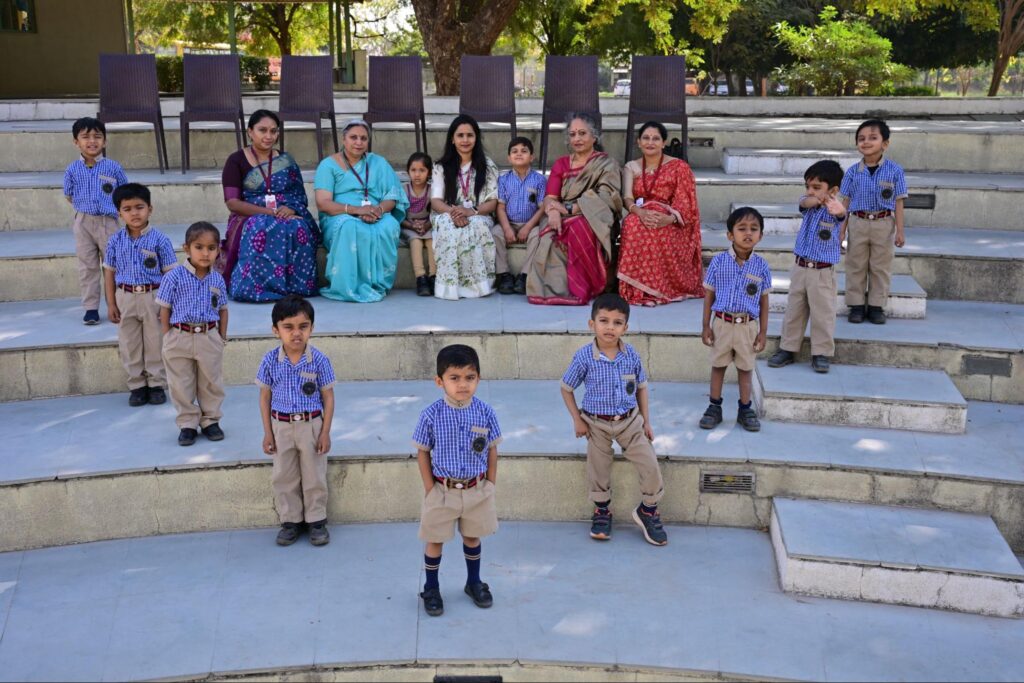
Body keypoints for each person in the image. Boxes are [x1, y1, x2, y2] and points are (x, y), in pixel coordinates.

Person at [560, 293, 667, 546]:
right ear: (592, 324)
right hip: (596, 423)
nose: (610, 327)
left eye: (617, 322)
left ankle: (648, 509)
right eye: (604, 321)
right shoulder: (584, 357)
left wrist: (646, 421)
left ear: (625, 327)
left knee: (650, 463)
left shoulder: (631, 356)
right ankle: (601, 509)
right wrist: (577, 419)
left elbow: (641, 387)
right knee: (598, 465)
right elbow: (566, 388)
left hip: (630, 421)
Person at [413, 344, 501, 617]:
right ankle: (431, 587)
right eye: (454, 378)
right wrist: (431, 489)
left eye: (469, 377)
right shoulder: (431, 415)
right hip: (443, 489)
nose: (463, 385)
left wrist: (490, 484)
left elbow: (493, 450)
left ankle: (473, 582)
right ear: (440, 381)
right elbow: (422, 452)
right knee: (435, 540)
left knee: (473, 537)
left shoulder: (485, 412)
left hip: (476, 489)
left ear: (478, 379)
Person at [257, 295, 336, 547]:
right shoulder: (270, 360)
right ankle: (290, 521)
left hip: (311, 425)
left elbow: (329, 397)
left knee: (314, 474)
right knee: (284, 475)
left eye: (303, 326)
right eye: (288, 327)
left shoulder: (320, 360)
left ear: (312, 328)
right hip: (281, 426)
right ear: (275, 330)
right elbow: (264, 397)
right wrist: (268, 433)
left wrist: (325, 432)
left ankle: (316, 521)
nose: (296, 334)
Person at [220, 110, 320, 303]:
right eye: (262, 130)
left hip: (285, 211)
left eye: (273, 131)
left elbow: (299, 195)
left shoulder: (286, 161)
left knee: (298, 227)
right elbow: (232, 202)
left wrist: (291, 209)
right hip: (250, 215)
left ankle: (296, 288)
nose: (268, 136)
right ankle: (255, 288)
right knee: (260, 227)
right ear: (250, 132)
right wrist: (270, 212)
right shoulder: (236, 160)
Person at [526, 113, 621, 306]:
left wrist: (571, 208)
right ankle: (554, 289)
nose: (576, 139)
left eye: (582, 133)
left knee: (578, 226)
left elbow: (607, 195)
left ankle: (586, 285)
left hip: (596, 216)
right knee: (549, 234)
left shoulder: (606, 164)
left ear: (594, 137)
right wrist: (552, 212)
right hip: (561, 213)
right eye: (572, 134)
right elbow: (550, 198)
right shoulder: (561, 163)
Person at [315, 119, 408, 303]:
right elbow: (323, 203)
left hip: (374, 212)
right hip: (341, 214)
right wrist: (357, 210)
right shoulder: (328, 165)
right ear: (344, 139)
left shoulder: (378, 163)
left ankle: (377, 283)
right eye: (353, 137)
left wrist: (378, 211)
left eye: (363, 138)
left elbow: (392, 195)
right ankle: (347, 285)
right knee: (349, 226)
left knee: (389, 225)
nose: (359, 142)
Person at [768, 161, 847, 374]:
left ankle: (821, 352)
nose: (810, 191)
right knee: (795, 309)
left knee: (823, 313)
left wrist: (839, 210)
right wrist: (816, 197)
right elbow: (805, 202)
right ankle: (787, 348)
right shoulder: (808, 204)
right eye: (808, 186)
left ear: (834, 190)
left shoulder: (837, 210)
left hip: (823, 271)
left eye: (817, 187)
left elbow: (842, 217)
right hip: (801, 267)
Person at [102, 183, 177, 407]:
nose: (134, 213)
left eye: (139, 207)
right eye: (127, 209)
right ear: (119, 212)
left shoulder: (160, 240)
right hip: (125, 297)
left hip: (153, 296)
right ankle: (136, 386)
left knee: (155, 342)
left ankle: (155, 384)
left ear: (150, 209)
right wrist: (111, 303)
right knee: (129, 343)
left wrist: (168, 305)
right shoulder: (115, 241)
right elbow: (109, 273)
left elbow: (171, 275)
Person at [156, 222, 229, 447]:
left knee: (210, 381)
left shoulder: (217, 278)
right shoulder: (174, 277)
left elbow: (223, 309)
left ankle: (210, 420)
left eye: (211, 248)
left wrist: (221, 337)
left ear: (218, 250)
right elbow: (164, 308)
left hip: (209, 336)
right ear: (186, 248)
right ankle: (187, 422)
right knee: (180, 382)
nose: (205, 253)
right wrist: (168, 335)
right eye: (199, 247)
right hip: (180, 336)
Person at [699, 207, 771, 433]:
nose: (748, 233)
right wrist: (705, 326)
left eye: (754, 229)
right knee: (718, 366)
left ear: (761, 235)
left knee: (745, 368)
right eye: (741, 229)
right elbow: (709, 295)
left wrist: (762, 332)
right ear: (730, 235)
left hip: (747, 326)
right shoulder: (719, 262)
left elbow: (764, 301)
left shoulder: (762, 266)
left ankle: (745, 409)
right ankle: (714, 407)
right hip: (721, 323)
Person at [618, 121, 703, 306]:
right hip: (640, 212)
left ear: (664, 143)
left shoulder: (679, 167)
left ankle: (660, 289)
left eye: (656, 138)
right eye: (646, 138)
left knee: (658, 232)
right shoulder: (631, 167)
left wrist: (669, 219)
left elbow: (686, 202)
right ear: (639, 142)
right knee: (632, 225)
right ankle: (637, 290)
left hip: (672, 219)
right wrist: (639, 213)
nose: (650, 142)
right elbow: (627, 198)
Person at [838, 118, 907, 325]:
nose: (866, 142)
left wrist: (901, 231)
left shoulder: (895, 171)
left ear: (885, 143)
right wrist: (841, 231)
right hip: (857, 222)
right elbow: (845, 203)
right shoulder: (852, 172)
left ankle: (876, 306)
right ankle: (856, 305)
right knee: (855, 264)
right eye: (861, 138)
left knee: (880, 265)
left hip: (883, 223)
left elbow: (899, 202)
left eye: (873, 138)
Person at [63, 117, 129, 325]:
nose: (92, 141)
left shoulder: (113, 167)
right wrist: (84, 211)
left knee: (113, 265)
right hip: (83, 223)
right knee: (88, 266)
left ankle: (117, 304)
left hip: (109, 222)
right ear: (76, 142)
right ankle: (91, 308)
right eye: (85, 137)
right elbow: (69, 194)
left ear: (105, 141)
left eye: (97, 137)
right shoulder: (72, 170)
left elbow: (125, 193)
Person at [430, 115, 500, 300]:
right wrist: (454, 213)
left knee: (475, 225)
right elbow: (436, 201)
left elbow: (492, 202)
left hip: (478, 213)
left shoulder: (488, 166)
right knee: (447, 225)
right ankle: (449, 288)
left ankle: (477, 286)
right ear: (452, 139)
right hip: (447, 212)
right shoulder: (440, 167)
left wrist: (472, 211)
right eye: (460, 135)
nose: (465, 140)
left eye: (470, 135)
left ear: (476, 138)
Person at [496, 136, 547, 295]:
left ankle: (524, 275)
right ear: (509, 158)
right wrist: (506, 228)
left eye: (524, 151)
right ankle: (504, 275)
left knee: (537, 236)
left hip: (531, 223)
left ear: (531, 157)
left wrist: (528, 227)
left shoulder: (539, 180)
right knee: (495, 233)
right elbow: (500, 207)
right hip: (509, 222)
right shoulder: (503, 180)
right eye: (514, 151)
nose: (519, 154)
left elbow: (542, 208)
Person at [400, 152, 437, 297]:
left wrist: (427, 225)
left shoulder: (431, 190)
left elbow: (435, 214)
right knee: (415, 241)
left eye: (422, 170)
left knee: (431, 241)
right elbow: (398, 215)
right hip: (408, 226)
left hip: (428, 226)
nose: (417, 174)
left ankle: (434, 276)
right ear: (408, 171)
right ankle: (420, 277)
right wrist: (411, 226)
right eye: (413, 170)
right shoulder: (404, 190)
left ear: (429, 172)